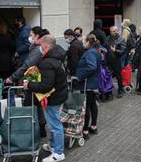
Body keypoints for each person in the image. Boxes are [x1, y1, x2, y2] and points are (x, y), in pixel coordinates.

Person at [24, 34, 68, 162]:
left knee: (55, 125)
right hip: (59, 95)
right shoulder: (57, 56)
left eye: (41, 46)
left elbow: (45, 86)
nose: (39, 48)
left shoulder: (47, 62)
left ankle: (58, 153)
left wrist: (29, 85)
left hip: (53, 98)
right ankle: (53, 146)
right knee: (54, 123)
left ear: (47, 46)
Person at [76, 34, 102, 139]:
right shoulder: (96, 51)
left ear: (88, 42)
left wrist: (80, 76)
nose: (82, 43)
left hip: (88, 84)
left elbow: (91, 67)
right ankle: (93, 126)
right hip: (92, 83)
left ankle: (85, 130)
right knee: (92, 105)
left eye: (83, 41)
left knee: (87, 107)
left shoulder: (90, 52)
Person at [105, 26, 126, 98]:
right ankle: (108, 90)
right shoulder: (107, 38)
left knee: (118, 75)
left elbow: (123, 51)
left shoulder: (121, 39)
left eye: (114, 31)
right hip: (108, 60)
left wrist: (115, 51)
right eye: (111, 31)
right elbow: (105, 47)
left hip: (116, 60)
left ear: (117, 31)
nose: (113, 32)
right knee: (108, 75)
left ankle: (121, 89)